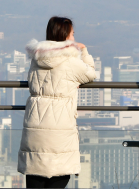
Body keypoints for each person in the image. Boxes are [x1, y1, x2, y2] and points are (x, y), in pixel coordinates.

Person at [18, 16, 97, 188]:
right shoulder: (71, 62)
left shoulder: (36, 59)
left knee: (35, 177)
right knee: (59, 178)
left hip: (35, 126)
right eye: (72, 34)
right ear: (65, 36)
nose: (75, 38)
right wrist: (83, 51)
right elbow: (91, 74)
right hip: (59, 128)